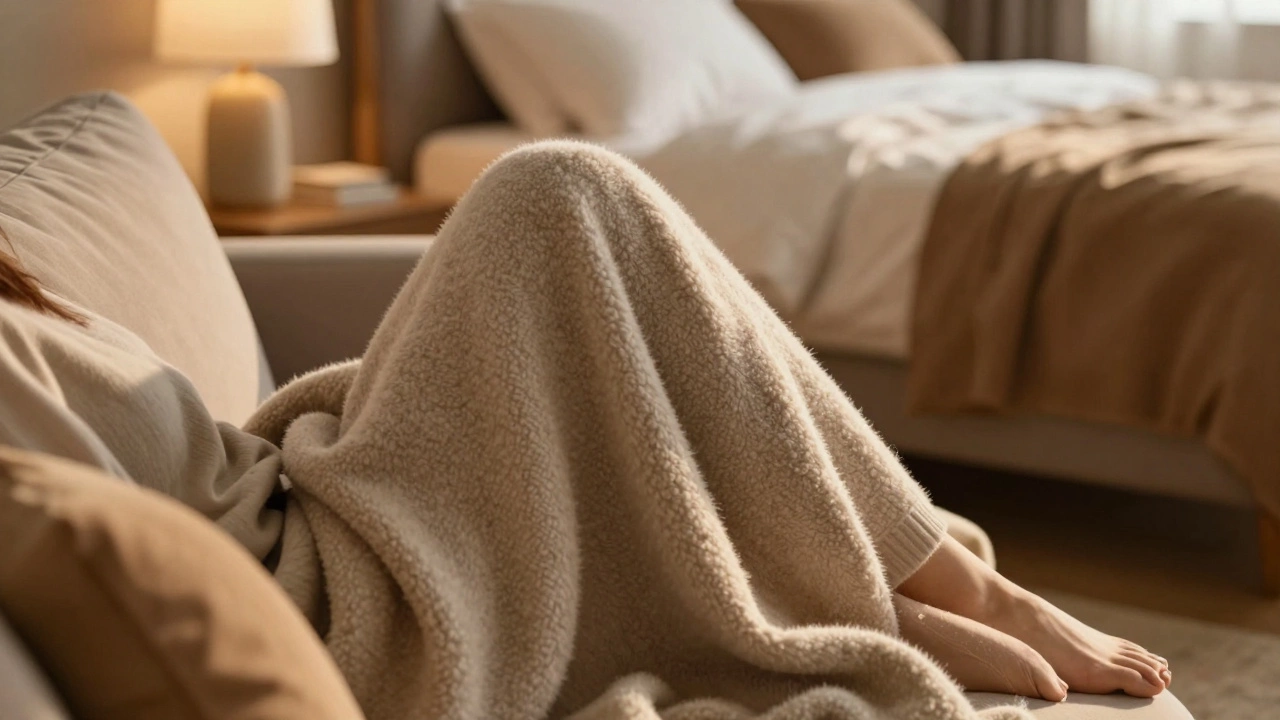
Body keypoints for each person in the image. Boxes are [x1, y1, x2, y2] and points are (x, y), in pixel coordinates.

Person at [0, 144, 1169, 709]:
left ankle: (868, 581)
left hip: (306, 483)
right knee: (552, 191)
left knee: (563, 213)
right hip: (353, 591)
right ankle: (894, 590)